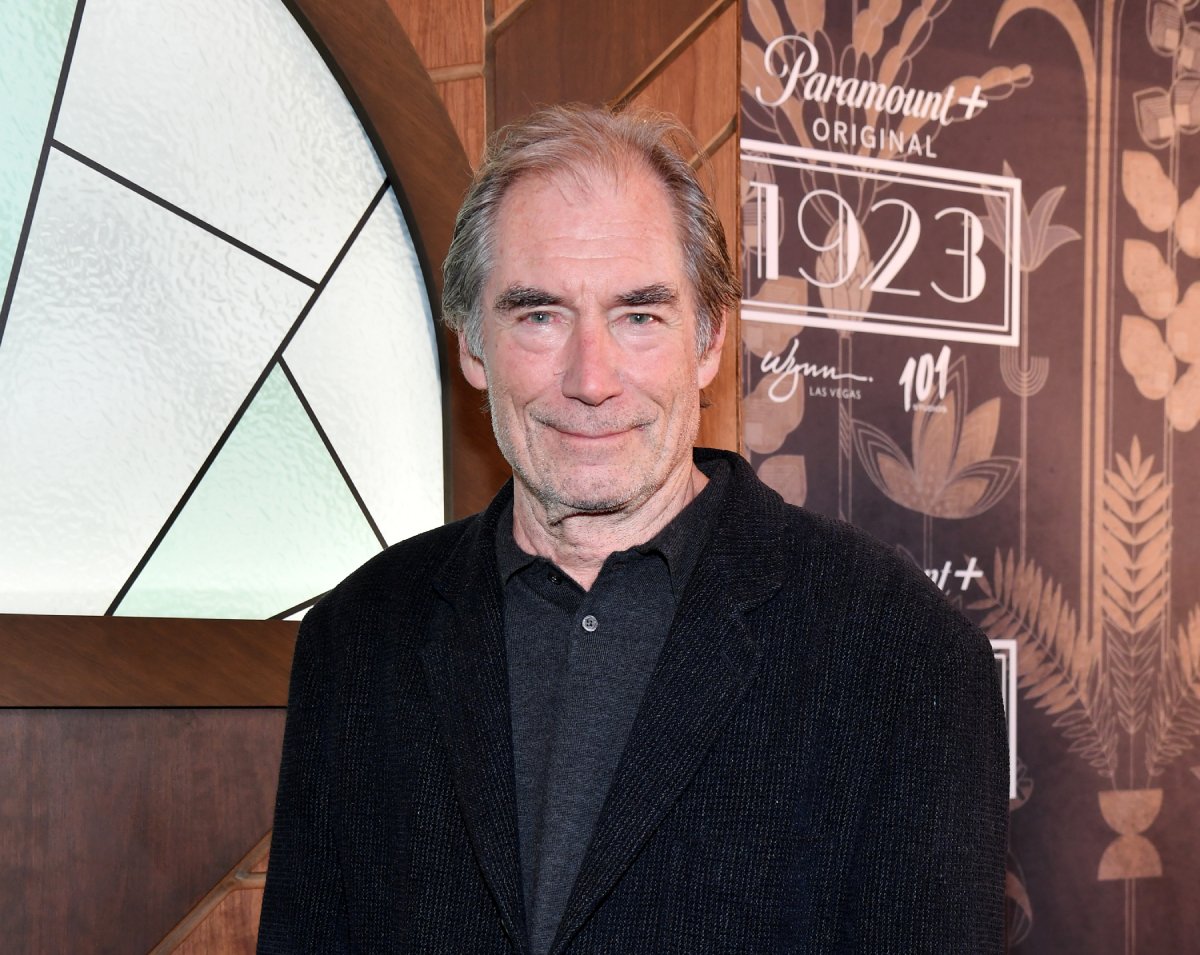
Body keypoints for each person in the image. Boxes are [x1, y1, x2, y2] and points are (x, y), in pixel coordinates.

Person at [257, 105, 1008, 955]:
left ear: (709, 341)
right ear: (472, 342)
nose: (590, 377)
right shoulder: (358, 638)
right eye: (538, 315)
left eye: (638, 316)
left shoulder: (900, 653)